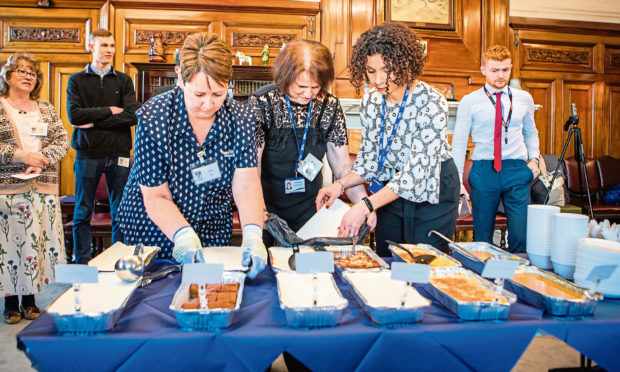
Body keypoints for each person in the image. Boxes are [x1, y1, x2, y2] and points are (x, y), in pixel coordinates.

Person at [117, 32, 267, 278]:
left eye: (218, 94)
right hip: (154, 226)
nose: (209, 104)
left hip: (211, 224)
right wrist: (183, 235)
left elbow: (247, 183)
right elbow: (156, 195)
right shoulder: (154, 117)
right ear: (180, 77)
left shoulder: (241, 118)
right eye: (199, 95)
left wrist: (252, 234)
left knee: (205, 295)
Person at [316, 23, 459, 256]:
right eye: (371, 71)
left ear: (405, 64)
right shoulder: (371, 100)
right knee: (389, 260)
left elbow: (415, 175)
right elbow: (369, 161)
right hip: (390, 194)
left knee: (423, 264)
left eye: (387, 70)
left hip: (433, 191)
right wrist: (339, 184)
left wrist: (365, 206)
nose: (379, 80)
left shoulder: (432, 102)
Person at [249, 39, 371, 245]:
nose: (308, 94)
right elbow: (253, 167)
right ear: (285, 77)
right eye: (301, 86)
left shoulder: (329, 106)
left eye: (315, 87)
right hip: (266, 206)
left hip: (311, 207)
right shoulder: (263, 102)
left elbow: (342, 167)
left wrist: (363, 204)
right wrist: (258, 210)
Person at [0, 52, 69, 324]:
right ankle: (10, 303)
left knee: (35, 244)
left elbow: (62, 140)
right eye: (22, 71)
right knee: (8, 245)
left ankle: (30, 301)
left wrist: (42, 161)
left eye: (32, 73)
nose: (28, 77)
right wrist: (22, 156)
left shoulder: (47, 108)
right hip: (8, 189)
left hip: (42, 187)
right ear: (7, 75)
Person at [452, 45, 540, 253]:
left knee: (521, 234)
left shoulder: (524, 98)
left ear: (510, 68)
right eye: (494, 70)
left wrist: (534, 159)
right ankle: (483, 279)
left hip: (517, 170)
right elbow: (459, 142)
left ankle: (516, 281)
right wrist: (457, 181)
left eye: (505, 70)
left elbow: (531, 131)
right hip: (484, 171)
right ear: (483, 69)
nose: (501, 76)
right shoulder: (470, 101)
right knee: (482, 236)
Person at [67, 28, 139, 264]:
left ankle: (116, 262)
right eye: (104, 45)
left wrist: (93, 121)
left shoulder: (124, 80)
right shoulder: (76, 80)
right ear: (91, 47)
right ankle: (82, 265)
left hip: (119, 153)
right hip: (88, 154)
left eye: (112, 45)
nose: (109, 50)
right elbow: (75, 116)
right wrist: (110, 110)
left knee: (122, 212)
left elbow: (132, 116)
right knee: (82, 212)